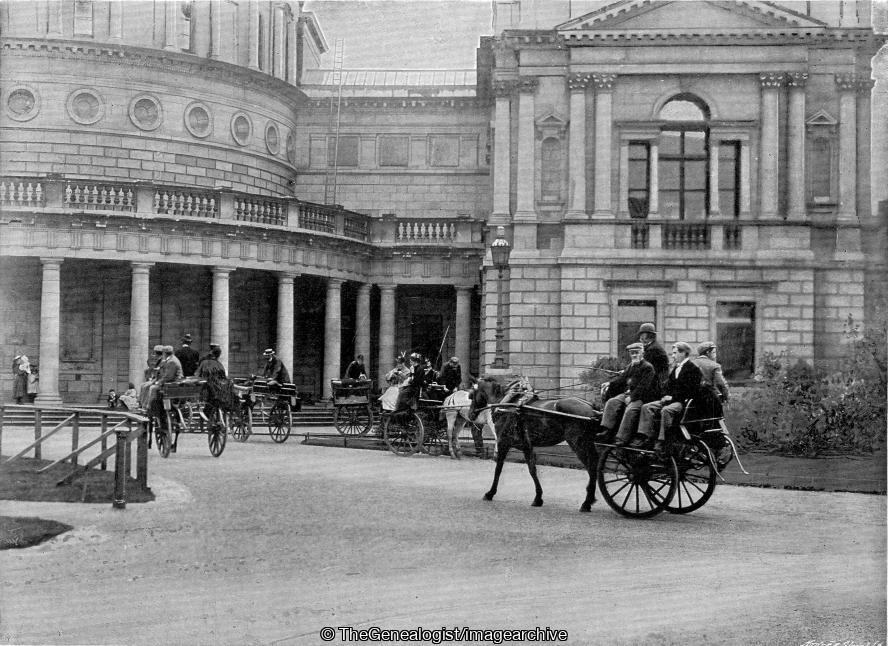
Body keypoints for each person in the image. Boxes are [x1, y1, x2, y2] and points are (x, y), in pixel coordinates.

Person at [635, 341, 703, 453]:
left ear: (684, 353)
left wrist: (671, 398)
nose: (673, 356)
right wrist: (664, 395)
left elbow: (691, 391)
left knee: (666, 410)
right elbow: (668, 386)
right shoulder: (676, 369)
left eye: (675, 353)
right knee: (646, 407)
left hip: (682, 403)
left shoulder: (693, 369)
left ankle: (662, 440)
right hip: (671, 400)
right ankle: (645, 436)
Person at [594, 342, 658, 446]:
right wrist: (609, 383)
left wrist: (632, 398)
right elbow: (621, 379)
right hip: (627, 395)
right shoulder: (630, 366)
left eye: (636, 352)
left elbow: (643, 387)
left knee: (630, 410)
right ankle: (607, 430)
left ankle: (622, 438)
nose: (634, 355)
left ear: (642, 353)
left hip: (641, 397)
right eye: (632, 353)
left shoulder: (648, 367)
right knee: (612, 402)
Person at [693, 341, 730, 418]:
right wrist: (726, 397)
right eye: (714, 352)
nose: (715, 355)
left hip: (692, 400)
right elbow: (721, 383)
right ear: (707, 352)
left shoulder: (691, 363)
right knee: (717, 420)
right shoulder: (714, 365)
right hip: (709, 399)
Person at [146, 345, 183, 418]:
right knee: (152, 387)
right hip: (172, 382)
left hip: (172, 384)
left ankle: (149, 406)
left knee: (152, 388)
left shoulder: (172, 361)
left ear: (165, 353)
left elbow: (168, 376)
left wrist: (159, 382)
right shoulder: (171, 359)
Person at [637, 323, 669, 394]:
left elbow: (643, 367)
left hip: (655, 385)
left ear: (649, 336)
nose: (640, 338)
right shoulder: (652, 346)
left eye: (642, 335)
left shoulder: (653, 349)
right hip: (654, 382)